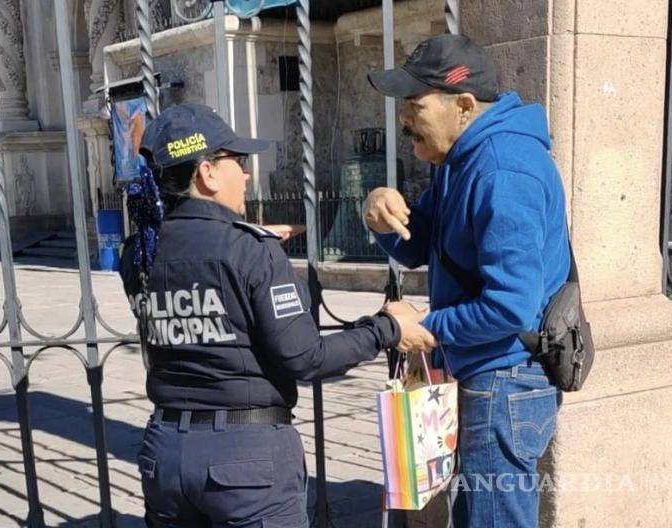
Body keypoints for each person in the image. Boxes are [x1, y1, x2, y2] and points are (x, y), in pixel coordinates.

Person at [118, 102, 434, 527]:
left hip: (166, 455)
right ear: (207, 174)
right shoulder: (249, 249)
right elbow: (307, 357)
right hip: (244, 462)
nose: (246, 174)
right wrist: (388, 328)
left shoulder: (139, 253)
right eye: (237, 161)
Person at [365, 34, 569, 528]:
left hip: (505, 380)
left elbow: (511, 306)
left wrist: (428, 323)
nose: (403, 118)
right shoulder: (461, 158)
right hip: (489, 374)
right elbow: (418, 243)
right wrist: (378, 215)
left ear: (463, 105)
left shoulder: (501, 169)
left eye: (414, 105)